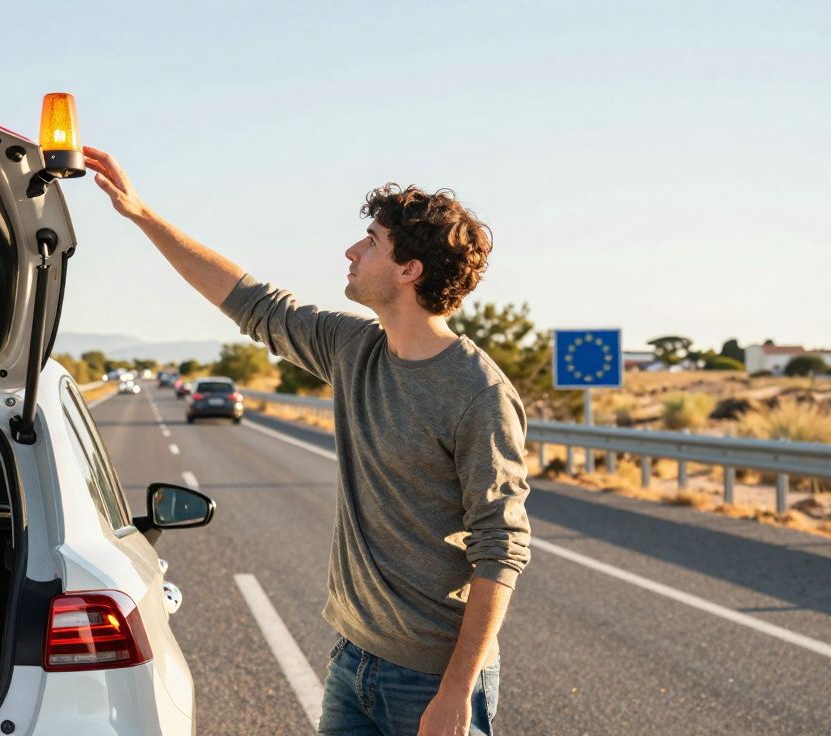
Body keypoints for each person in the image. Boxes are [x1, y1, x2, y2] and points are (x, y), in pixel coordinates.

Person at [83, 146, 531, 736]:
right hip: (353, 659)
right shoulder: (355, 349)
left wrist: (455, 692)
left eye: (370, 241)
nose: (351, 251)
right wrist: (142, 215)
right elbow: (248, 301)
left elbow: (501, 548)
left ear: (409, 270)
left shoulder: (478, 393)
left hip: (431, 680)